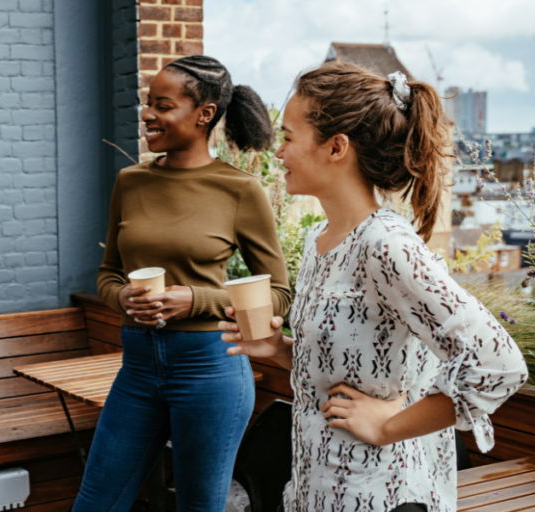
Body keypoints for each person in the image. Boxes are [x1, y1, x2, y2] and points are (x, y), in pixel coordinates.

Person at [222, 63, 529, 512]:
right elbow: (350, 362)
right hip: (318, 488)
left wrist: (390, 425)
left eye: (288, 137)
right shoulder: (319, 240)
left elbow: (498, 364)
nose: (278, 152)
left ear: (336, 147)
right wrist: (279, 348)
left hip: (378, 493)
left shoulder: (385, 245)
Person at [75, 55, 292, 512]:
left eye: (163, 105)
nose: (148, 114)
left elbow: (277, 294)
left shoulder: (239, 190)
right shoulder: (130, 181)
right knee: (96, 503)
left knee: (199, 506)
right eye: (148, 103)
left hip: (210, 371)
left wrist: (195, 300)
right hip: (136, 368)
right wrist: (124, 298)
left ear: (204, 114)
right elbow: (108, 274)